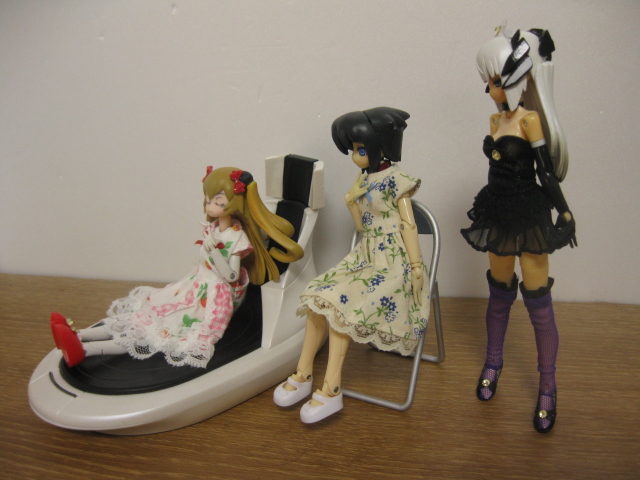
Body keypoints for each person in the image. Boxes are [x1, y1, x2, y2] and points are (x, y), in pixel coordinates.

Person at [51, 166, 302, 368]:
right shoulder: (215, 227)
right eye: (208, 200)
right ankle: (78, 334)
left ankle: (84, 350)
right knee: (148, 313)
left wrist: (214, 251)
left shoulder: (236, 237)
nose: (209, 206)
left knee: (160, 332)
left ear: (235, 203)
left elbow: (232, 275)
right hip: (196, 284)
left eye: (218, 202)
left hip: (215, 296)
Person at [273, 107, 429, 423]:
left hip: (393, 260)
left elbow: (408, 225)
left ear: (381, 145)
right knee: (318, 293)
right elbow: (362, 227)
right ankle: (303, 374)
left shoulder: (397, 180)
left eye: (360, 149)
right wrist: (350, 200)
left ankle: (331, 389)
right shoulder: (364, 178)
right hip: (365, 255)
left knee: (340, 307)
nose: (356, 157)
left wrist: (415, 266)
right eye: (354, 150)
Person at [460, 27, 576, 433]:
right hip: (498, 212)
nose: (489, 90)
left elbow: (546, 172)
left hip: (528, 215)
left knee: (538, 305)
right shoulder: (497, 118)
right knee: (499, 296)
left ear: (513, 77)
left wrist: (564, 211)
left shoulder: (530, 120)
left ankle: (548, 385)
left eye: (494, 81)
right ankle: (493, 362)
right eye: (487, 82)